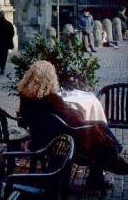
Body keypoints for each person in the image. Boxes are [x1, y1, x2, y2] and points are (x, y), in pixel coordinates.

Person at [18, 60, 128, 188]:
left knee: (99, 125)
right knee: (97, 135)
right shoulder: (51, 100)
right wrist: (77, 113)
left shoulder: (25, 97)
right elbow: (72, 119)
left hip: (41, 137)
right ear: (49, 79)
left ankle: (113, 154)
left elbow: (27, 120)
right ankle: (110, 164)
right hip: (61, 141)